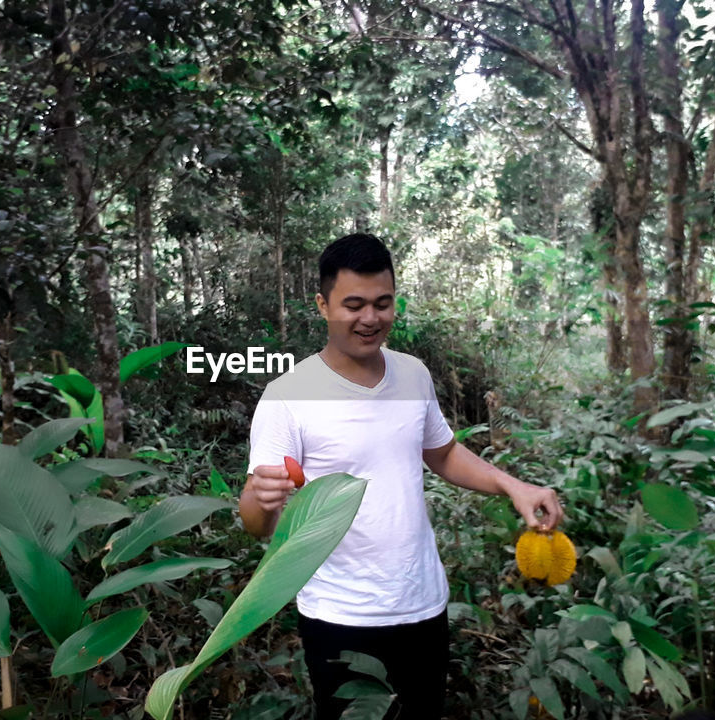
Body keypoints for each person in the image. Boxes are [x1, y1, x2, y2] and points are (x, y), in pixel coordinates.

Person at [240, 233, 563, 719]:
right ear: (323, 305)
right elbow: (258, 525)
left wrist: (514, 486)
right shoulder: (289, 395)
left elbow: (443, 453)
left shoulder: (412, 374)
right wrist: (260, 499)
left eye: (382, 303)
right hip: (338, 615)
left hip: (421, 602)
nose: (370, 318)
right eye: (353, 305)